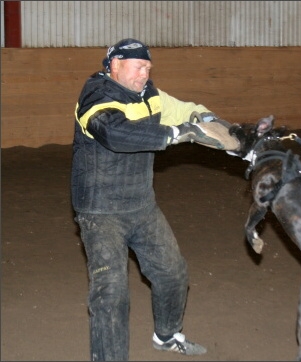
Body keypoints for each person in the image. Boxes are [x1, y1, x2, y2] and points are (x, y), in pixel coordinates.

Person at [72, 38, 233, 361]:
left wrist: (213, 124)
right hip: (100, 211)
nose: (144, 73)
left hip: (140, 205)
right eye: (138, 66)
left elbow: (187, 110)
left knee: (172, 272)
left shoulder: (150, 96)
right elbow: (114, 134)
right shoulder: (96, 97)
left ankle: (167, 335)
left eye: (148, 67)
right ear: (115, 65)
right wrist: (175, 134)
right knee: (111, 293)